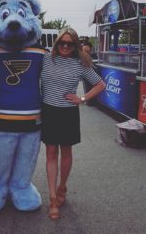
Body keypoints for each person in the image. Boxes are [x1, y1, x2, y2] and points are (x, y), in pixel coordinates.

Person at [40, 27, 105, 220]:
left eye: (70, 43)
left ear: (75, 45)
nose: (65, 46)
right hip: (49, 111)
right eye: (62, 42)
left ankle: (62, 186)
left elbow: (101, 84)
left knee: (66, 152)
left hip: (68, 113)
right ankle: (52, 198)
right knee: (51, 153)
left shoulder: (80, 63)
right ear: (57, 42)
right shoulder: (46, 59)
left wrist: (82, 98)